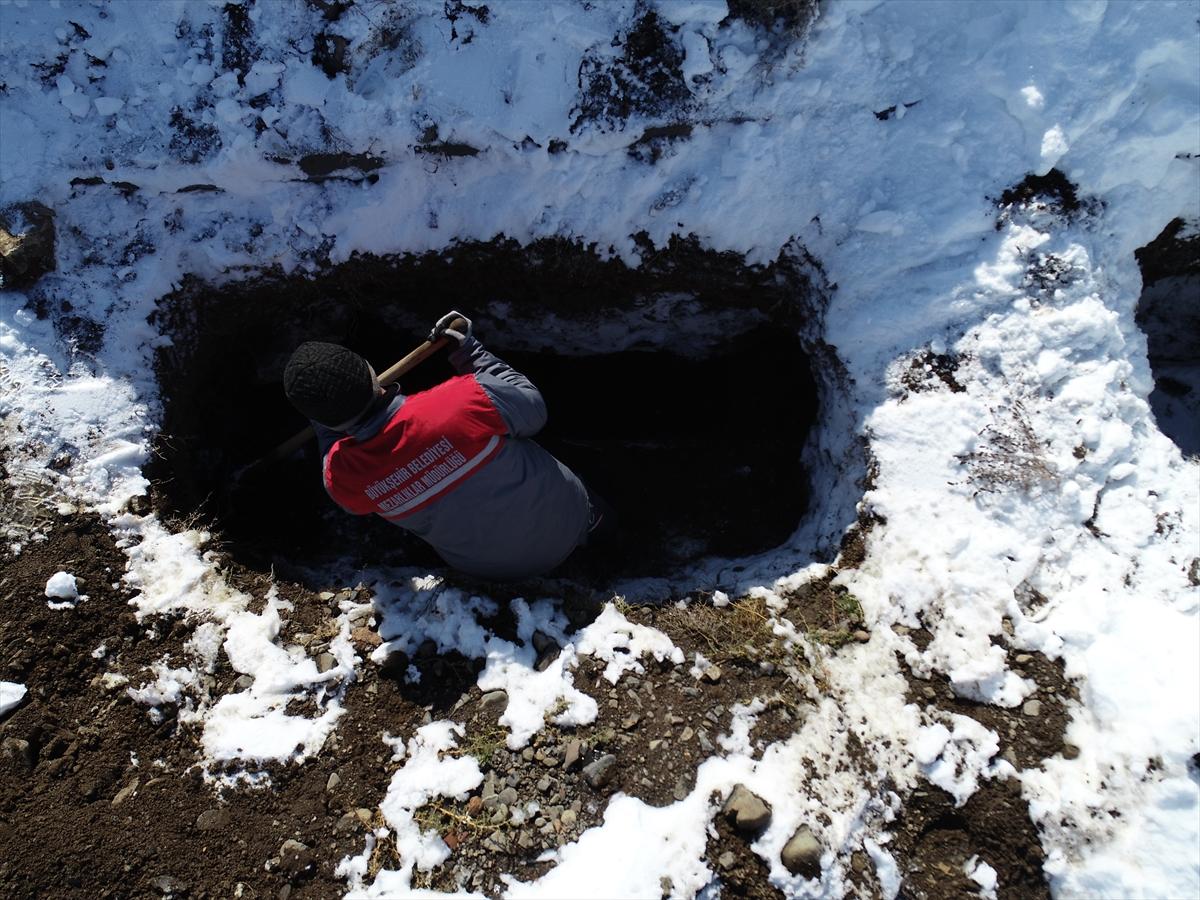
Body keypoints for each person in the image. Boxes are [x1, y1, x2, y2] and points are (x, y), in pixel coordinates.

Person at [281, 312, 610, 579]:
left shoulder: (343, 480)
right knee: (597, 518)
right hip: (571, 518)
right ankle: (608, 537)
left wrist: (324, 425)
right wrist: (470, 351)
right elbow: (534, 408)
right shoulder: (460, 401)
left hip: (492, 572)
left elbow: (331, 455)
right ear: (370, 371)